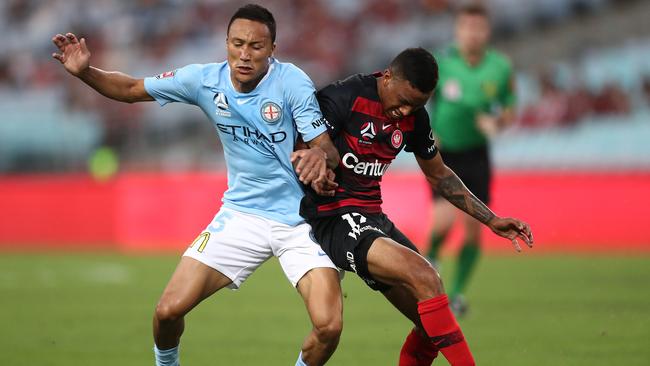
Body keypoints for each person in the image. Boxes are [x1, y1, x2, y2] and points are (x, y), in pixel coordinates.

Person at [52, 5, 343, 366]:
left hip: (303, 220)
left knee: (328, 326)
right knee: (167, 311)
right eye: (237, 43)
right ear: (226, 43)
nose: (245, 54)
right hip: (242, 214)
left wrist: (320, 156)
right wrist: (85, 73)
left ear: (273, 49)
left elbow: (326, 147)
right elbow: (130, 88)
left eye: (256, 46)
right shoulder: (203, 80)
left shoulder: (292, 82)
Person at [299, 48, 533, 366]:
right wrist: (315, 168)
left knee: (431, 325)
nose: (405, 110)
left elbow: (438, 174)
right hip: (336, 218)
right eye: (403, 99)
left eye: (417, 104)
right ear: (388, 76)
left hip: (373, 218)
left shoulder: (415, 118)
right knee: (428, 278)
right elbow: (306, 145)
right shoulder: (346, 96)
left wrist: (491, 219)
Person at [425, 4, 517, 316]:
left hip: (477, 153)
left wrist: (499, 123)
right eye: (467, 28)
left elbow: (509, 107)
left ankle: (458, 293)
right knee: (444, 221)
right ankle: (432, 255)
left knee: (475, 228)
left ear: (486, 32)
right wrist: (426, 131)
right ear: (458, 31)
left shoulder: (500, 67)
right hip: (444, 152)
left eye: (478, 28)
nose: (473, 34)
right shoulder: (442, 63)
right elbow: (420, 98)